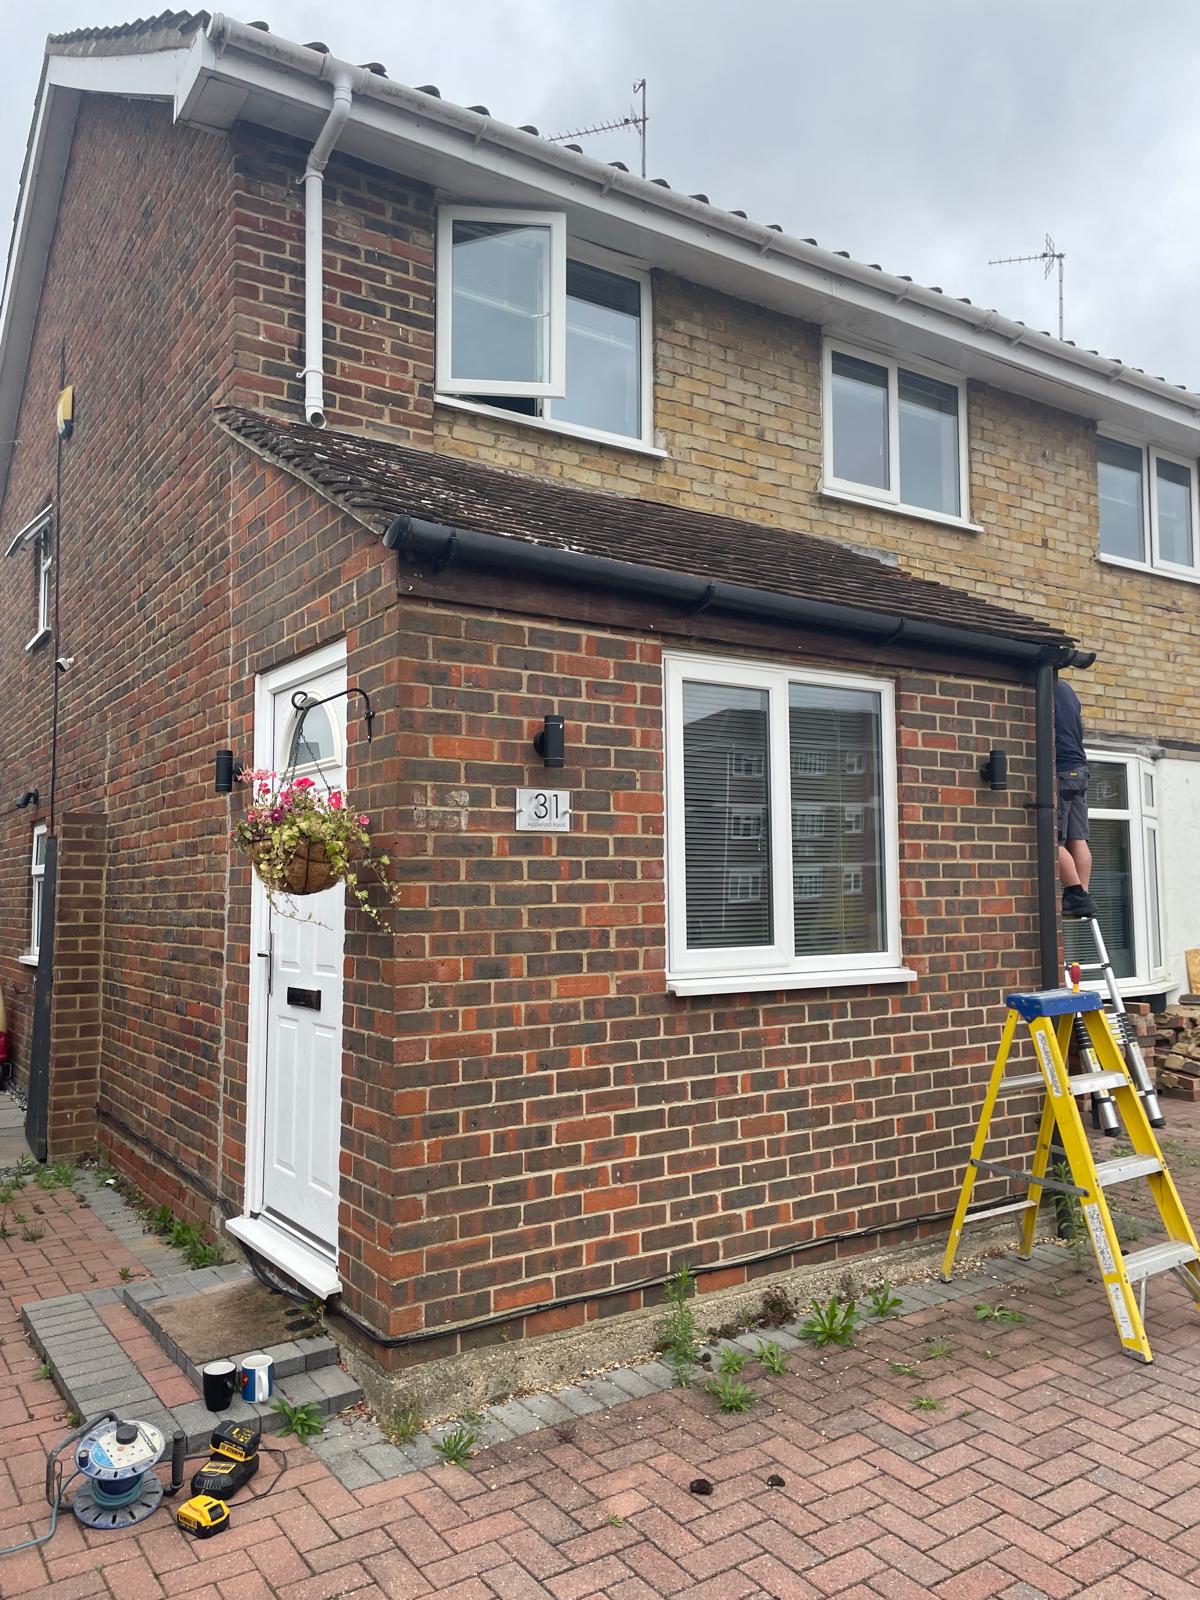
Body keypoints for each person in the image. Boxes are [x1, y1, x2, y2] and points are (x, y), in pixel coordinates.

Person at [1055, 675, 1098, 920]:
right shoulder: (1068, 690)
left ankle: (1076, 894)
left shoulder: (1044, 687)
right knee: (1077, 838)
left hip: (1060, 771)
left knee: (1051, 839)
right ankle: (1083, 894)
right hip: (1079, 770)